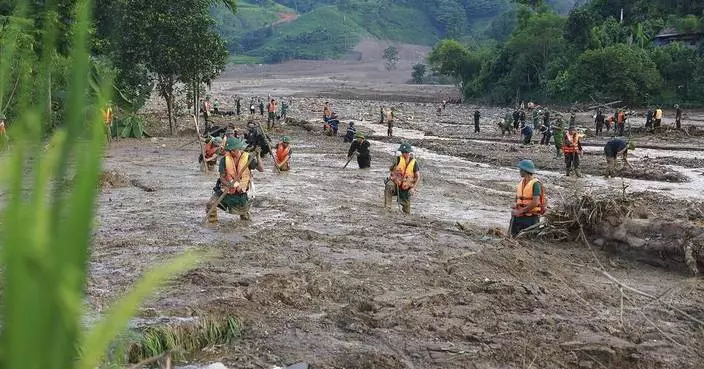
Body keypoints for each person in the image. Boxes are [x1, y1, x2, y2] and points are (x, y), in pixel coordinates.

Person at [206, 137, 264, 223]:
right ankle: (213, 223)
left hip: (242, 191)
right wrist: (227, 184)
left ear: (239, 148)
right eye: (230, 150)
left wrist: (258, 155)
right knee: (211, 203)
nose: (232, 152)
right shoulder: (224, 160)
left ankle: (245, 224)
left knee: (244, 213)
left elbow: (261, 169)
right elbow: (222, 177)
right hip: (227, 189)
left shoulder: (248, 158)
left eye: (234, 150)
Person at [510, 160, 546, 237]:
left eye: (520, 170)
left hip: (531, 219)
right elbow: (517, 198)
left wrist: (521, 211)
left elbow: (535, 202)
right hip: (519, 217)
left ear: (525, 171)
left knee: (529, 239)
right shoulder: (521, 183)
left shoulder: (535, 184)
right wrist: (515, 205)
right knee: (514, 237)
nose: (519, 171)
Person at [384, 143, 420, 214]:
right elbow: (391, 170)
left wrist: (413, 188)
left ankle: (405, 209)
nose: (404, 154)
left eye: (406, 152)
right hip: (396, 184)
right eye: (402, 152)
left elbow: (418, 176)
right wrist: (394, 173)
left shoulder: (414, 163)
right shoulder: (397, 159)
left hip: (406, 186)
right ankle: (387, 207)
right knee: (389, 184)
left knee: (407, 211)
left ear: (409, 153)